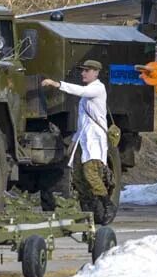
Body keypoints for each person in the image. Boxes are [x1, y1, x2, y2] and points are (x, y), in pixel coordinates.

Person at [42, 60, 110, 213]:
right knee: (78, 176)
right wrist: (73, 141)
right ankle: (86, 205)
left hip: (95, 139)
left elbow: (81, 91)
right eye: (83, 70)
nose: (83, 73)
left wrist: (57, 84)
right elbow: (82, 123)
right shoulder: (86, 97)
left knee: (90, 173)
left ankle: (107, 204)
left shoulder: (98, 88)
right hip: (84, 139)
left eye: (87, 71)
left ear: (96, 72)